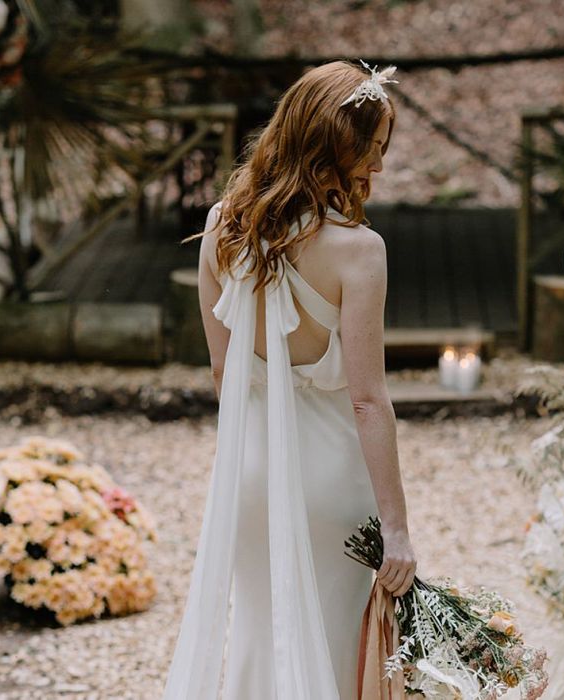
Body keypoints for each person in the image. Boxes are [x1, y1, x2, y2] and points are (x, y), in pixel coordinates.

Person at [162, 60, 417, 700]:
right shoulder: (360, 252)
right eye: (370, 150)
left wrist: (246, 464)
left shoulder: (221, 226)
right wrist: (399, 529)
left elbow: (225, 371)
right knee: (333, 649)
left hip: (251, 473)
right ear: (330, 145)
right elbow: (366, 400)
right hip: (331, 479)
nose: (378, 168)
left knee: (257, 640)